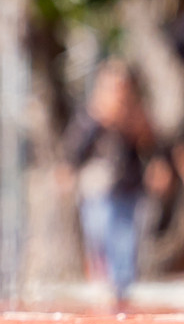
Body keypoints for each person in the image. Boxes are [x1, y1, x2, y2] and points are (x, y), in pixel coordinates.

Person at [64, 59, 164, 297]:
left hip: (129, 188)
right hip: (99, 188)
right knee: (100, 237)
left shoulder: (137, 114)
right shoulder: (92, 114)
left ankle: (121, 291)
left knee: (125, 242)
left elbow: (150, 147)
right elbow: (75, 147)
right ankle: (105, 285)